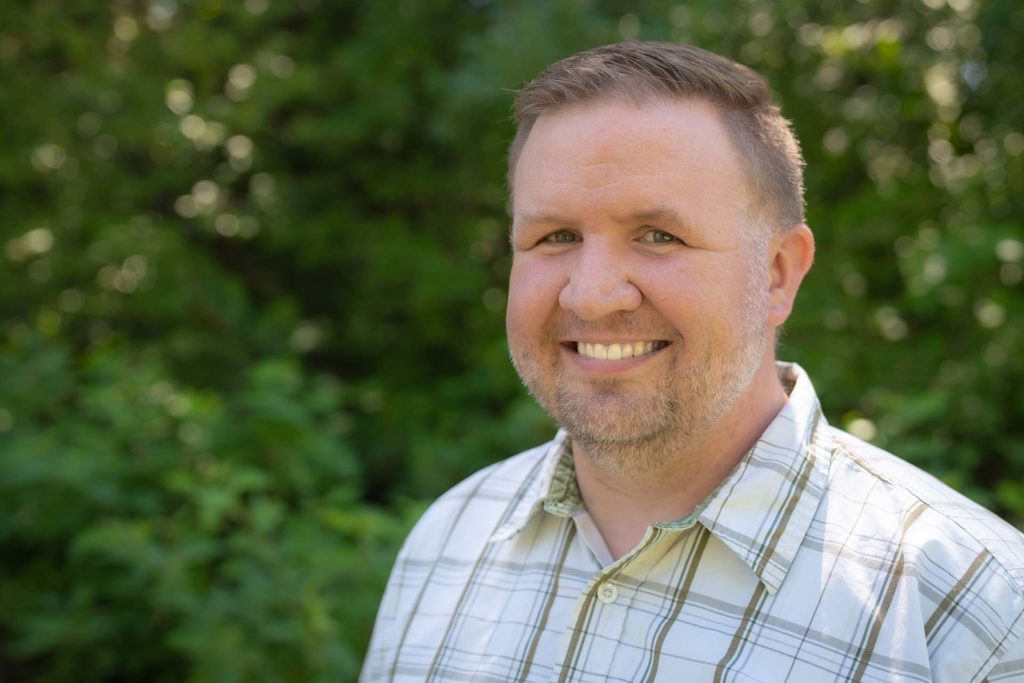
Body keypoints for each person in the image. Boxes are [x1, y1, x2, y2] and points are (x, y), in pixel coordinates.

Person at [360, 42, 1024, 682]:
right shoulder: (446, 541)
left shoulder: (976, 618)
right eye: (554, 236)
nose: (591, 294)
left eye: (657, 236)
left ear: (777, 274)